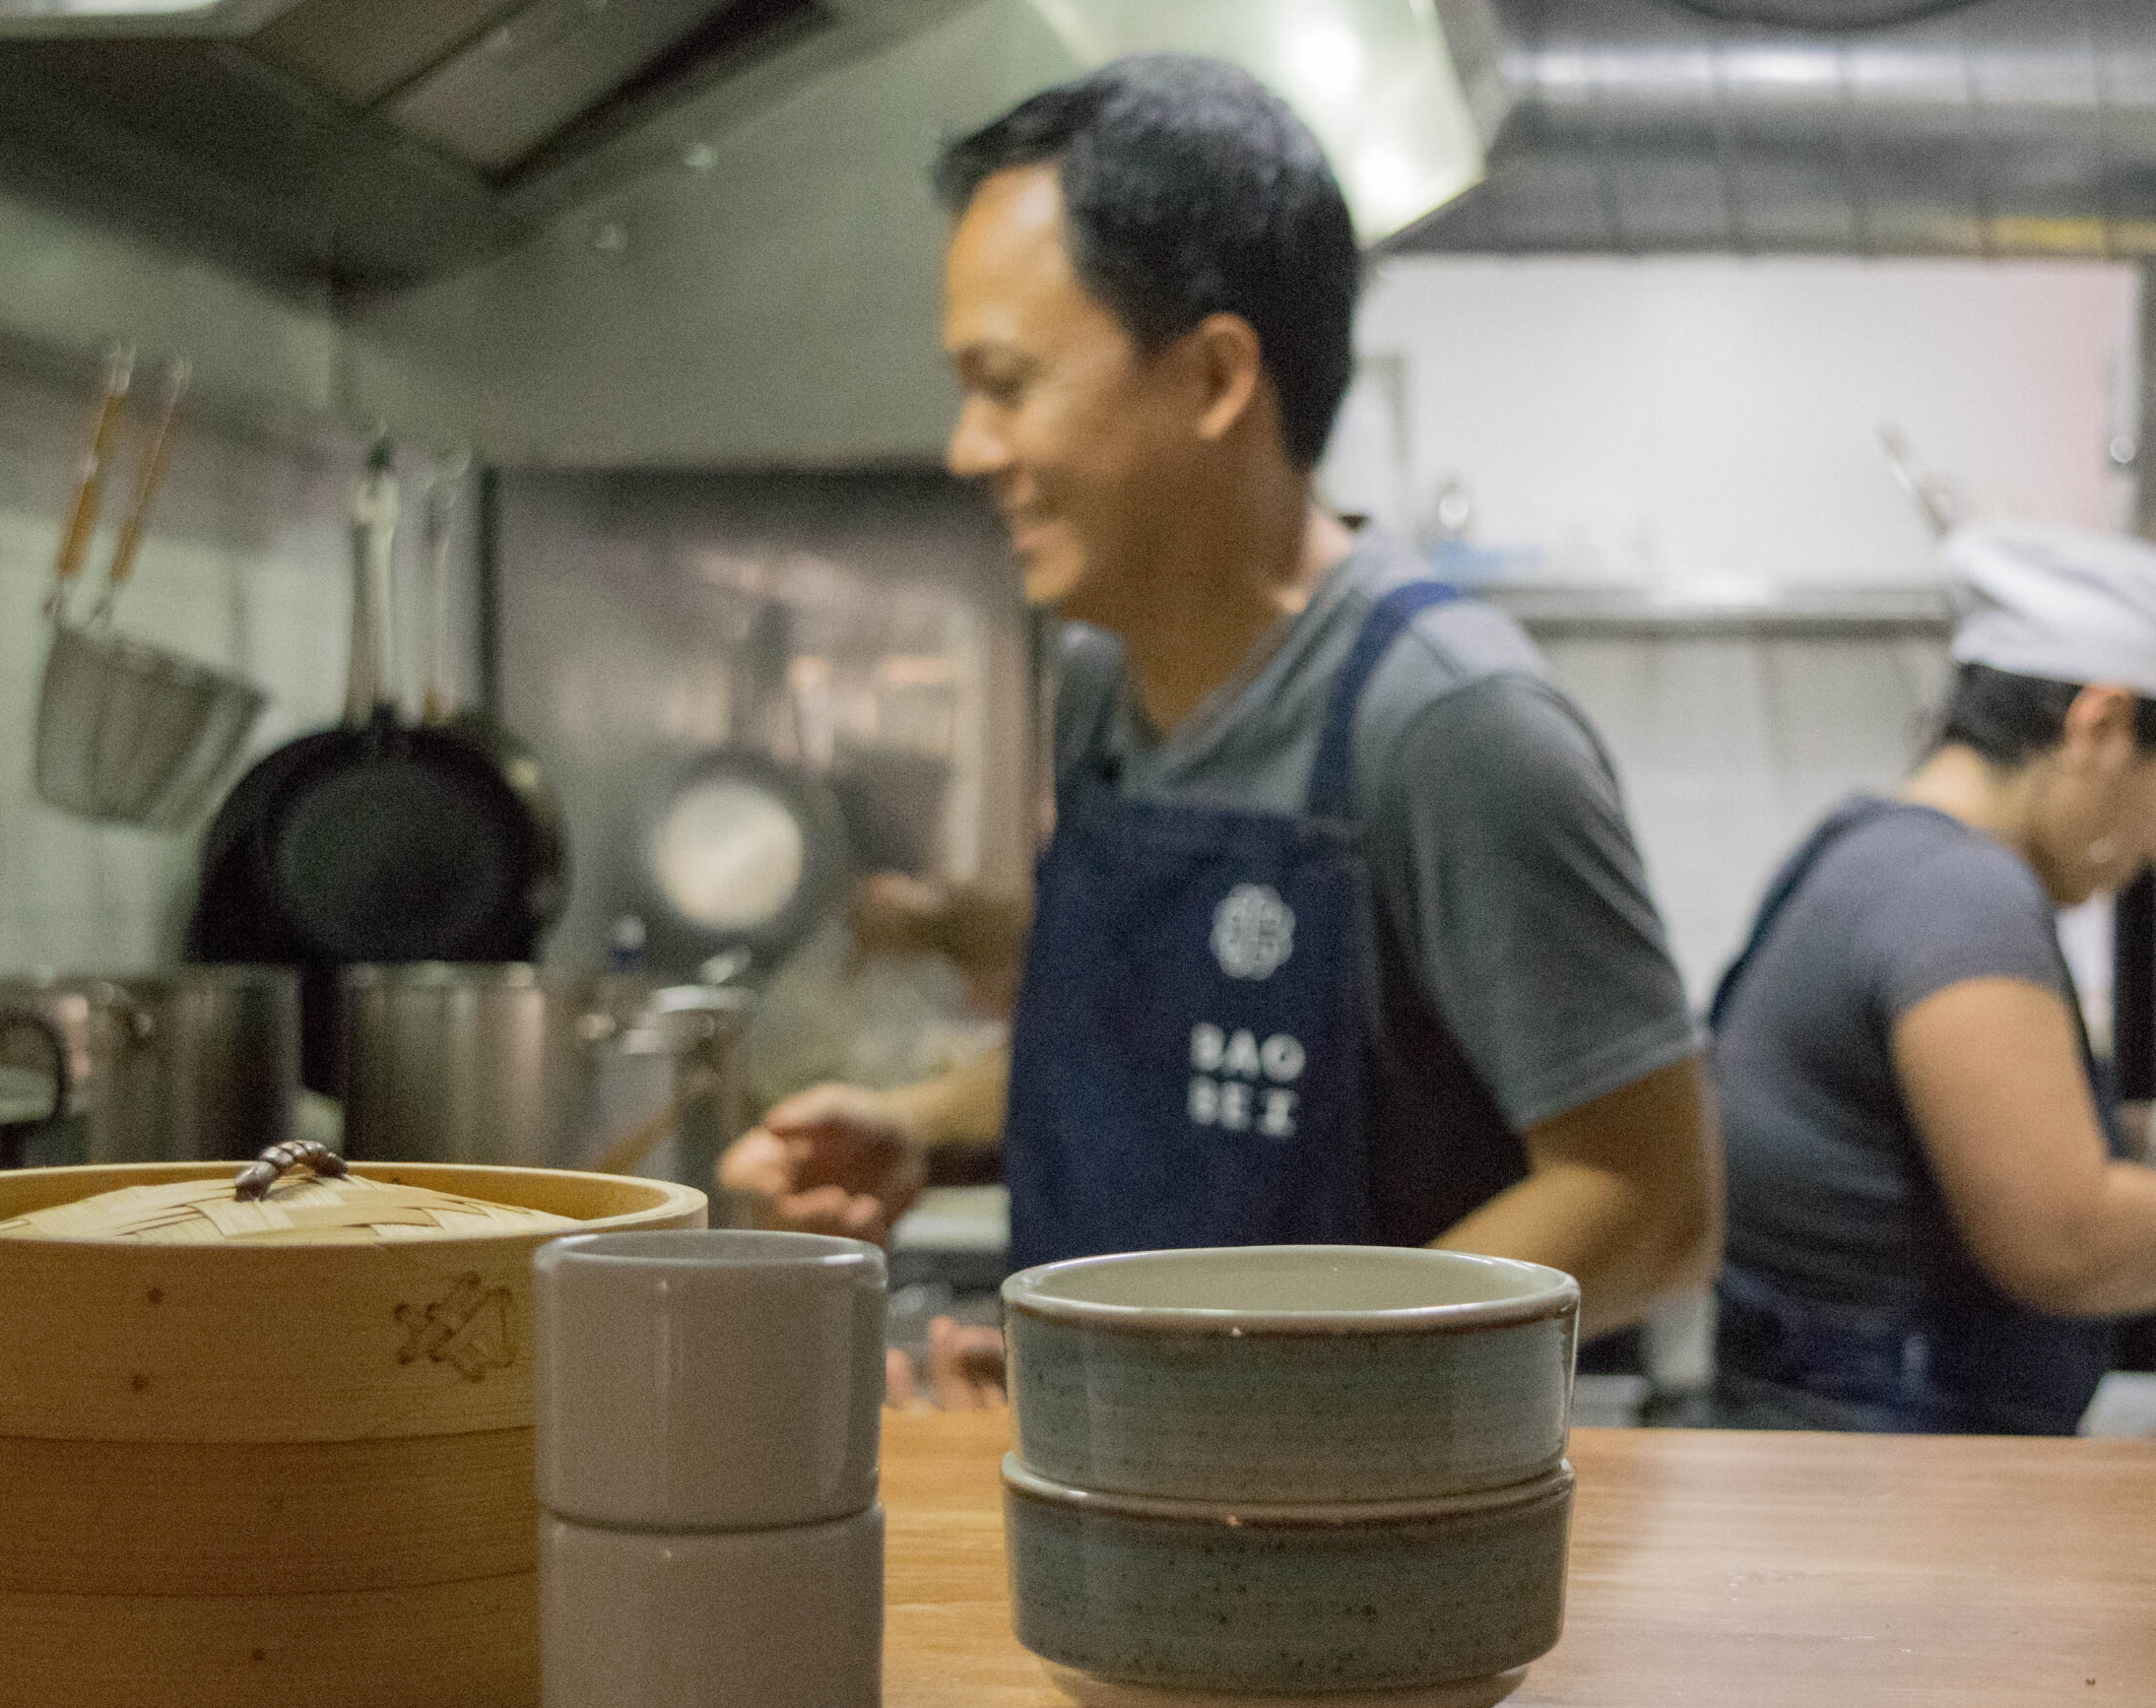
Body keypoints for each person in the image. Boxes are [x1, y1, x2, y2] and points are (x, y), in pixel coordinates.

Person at [720, 56, 1721, 1401]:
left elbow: (1650, 1199)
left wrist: (1225, 1404)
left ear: (1213, 375)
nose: (968, 446)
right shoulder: (1097, 680)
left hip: (1371, 1542)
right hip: (1123, 1498)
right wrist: (929, 1132)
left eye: (1007, 382)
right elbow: (1159, 1064)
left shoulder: (1449, 721)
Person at [1711, 523, 2156, 1435]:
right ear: (2100, 726)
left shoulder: (1864, 844)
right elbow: (2061, 1238)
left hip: (1818, 1432)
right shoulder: (1962, 895)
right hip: (1887, 1457)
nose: (2149, 848)